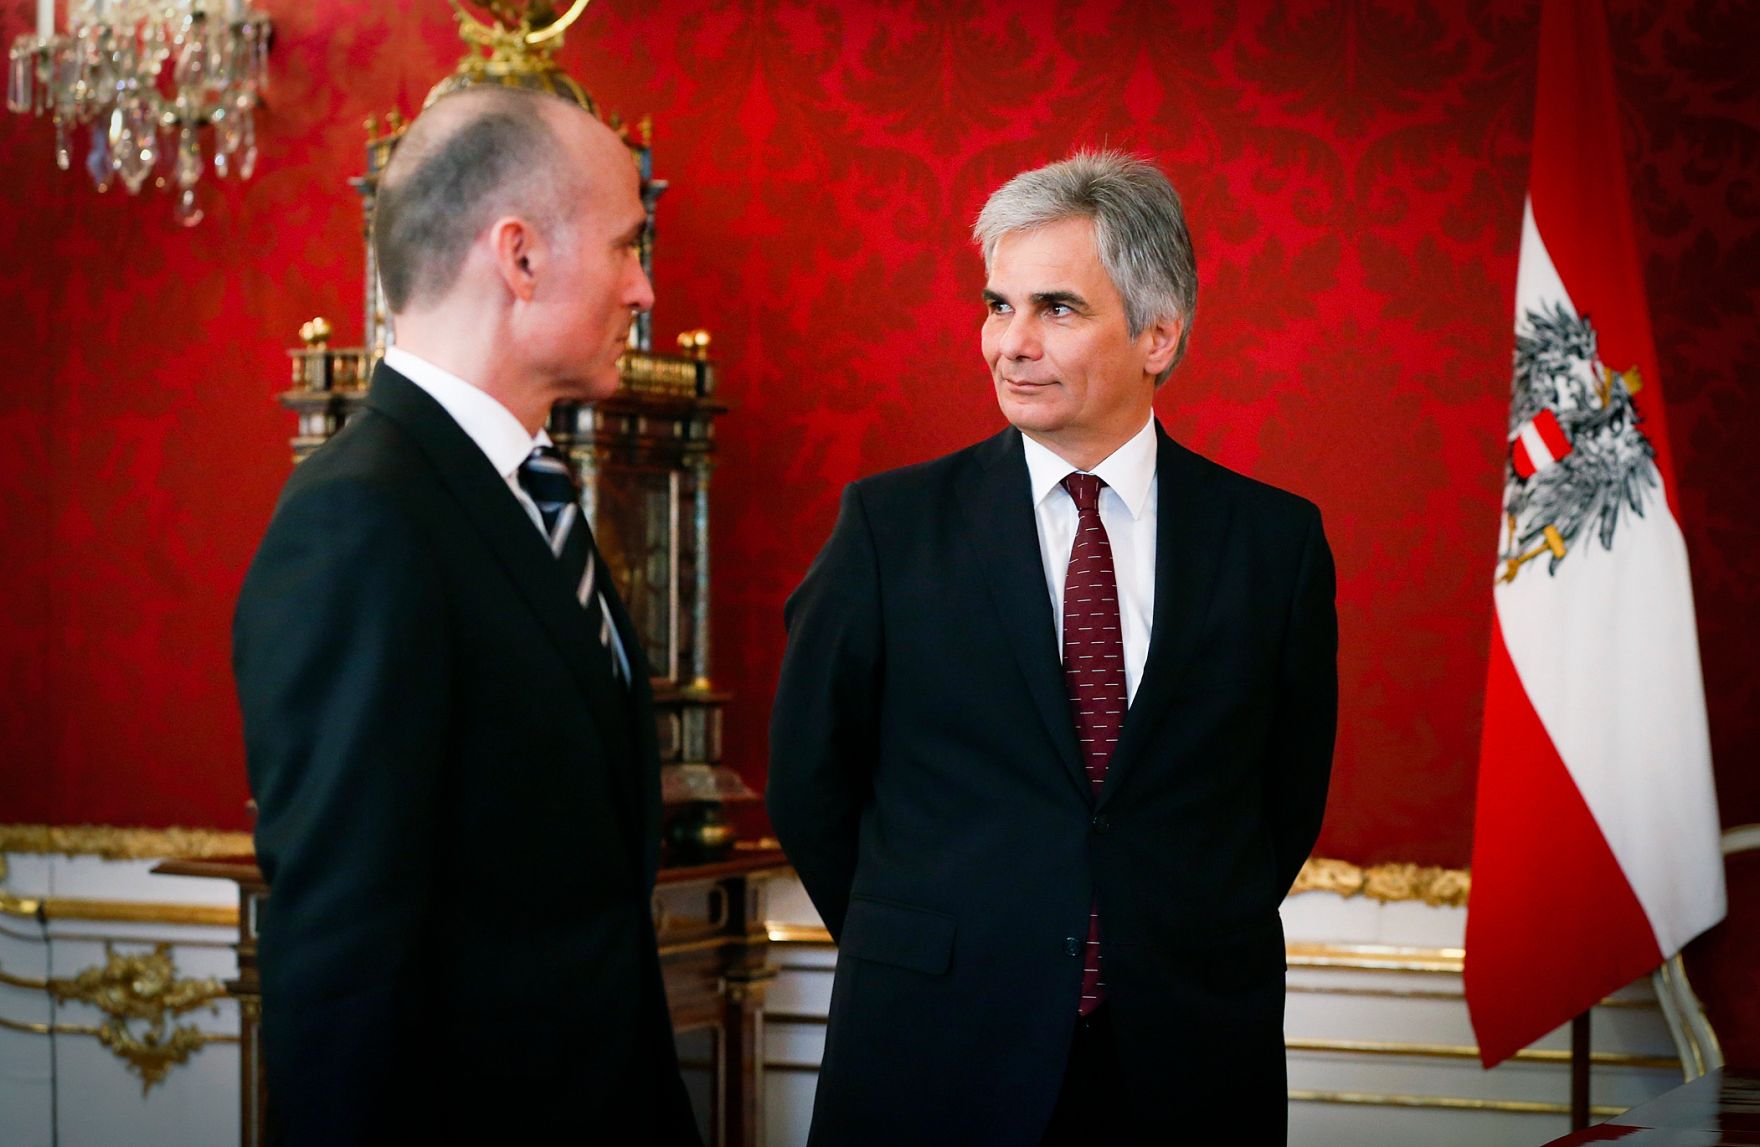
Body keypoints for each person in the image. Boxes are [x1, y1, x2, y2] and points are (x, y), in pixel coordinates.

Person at [767, 150, 1337, 1145]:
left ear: (1158, 334)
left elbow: (1280, 801)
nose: (1009, 343)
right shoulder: (885, 530)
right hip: (931, 1052)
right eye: (997, 305)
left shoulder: (1272, 543)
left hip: (1186, 1060)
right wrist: (932, 943)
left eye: (1056, 309)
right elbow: (809, 783)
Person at [233, 85, 700, 1145]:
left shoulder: (527, 491)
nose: (642, 286)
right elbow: (341, 959)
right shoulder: (359, 521)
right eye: (629, 245)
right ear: (520, 256)